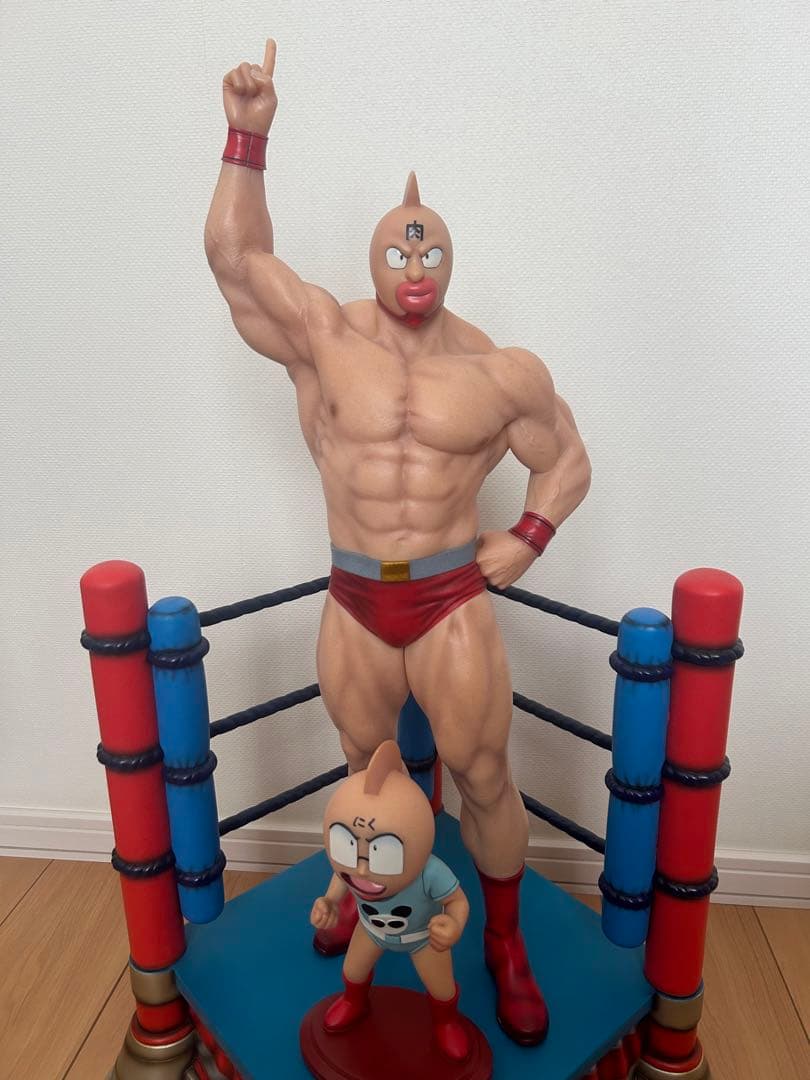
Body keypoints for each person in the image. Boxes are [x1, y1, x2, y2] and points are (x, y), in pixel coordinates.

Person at [206, 39, 591, 1046]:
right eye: (397, 254)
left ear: (449, 260)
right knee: (363, 767)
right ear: (375, 259)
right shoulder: (326, 336)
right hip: (355, 598)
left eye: (429, 254)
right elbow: (237, 264)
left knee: (484, 774)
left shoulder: (499, 370)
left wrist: (530, 536)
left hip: (449, 597)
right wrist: (246, 138)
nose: (414, 269)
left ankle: (502, 940)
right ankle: (365, 899)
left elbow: (568, 461)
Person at [311, 740, 472, 1061]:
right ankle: (354, 1000)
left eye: (383, 852)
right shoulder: (351, 869)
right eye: (346, 845)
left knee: (442, 987)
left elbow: (458, 901)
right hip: (370, 930)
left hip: (423, 938)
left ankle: (446, 1022)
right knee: (353, 970)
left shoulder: (430, 872)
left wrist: (453, 924)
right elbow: (342, 877)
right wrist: (328, 902)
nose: (361, 870)